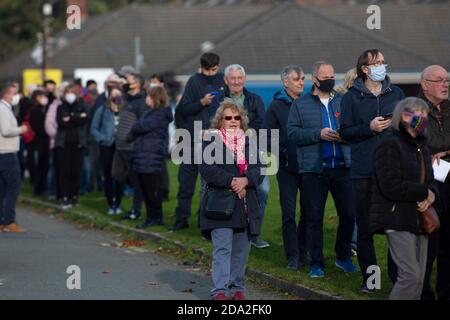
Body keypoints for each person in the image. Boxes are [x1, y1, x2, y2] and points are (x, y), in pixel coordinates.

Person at [339, 49, 405, 292]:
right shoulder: (351, 98)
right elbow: (345, 133)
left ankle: (398, 278)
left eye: (383, 62)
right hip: (364, 170)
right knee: (366, 227)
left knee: (395, 226)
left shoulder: (396, 93)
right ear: (364, 69)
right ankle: (370, 280)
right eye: (376, 63)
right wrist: (369, 128)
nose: (381, 66)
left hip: (392, 169)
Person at [288, 61, 356, 278]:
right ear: (314, 79)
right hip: (314, 169)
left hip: (342, 166)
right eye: (325, 76)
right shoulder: (300, 104)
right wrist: (318, 134)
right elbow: (292, 133)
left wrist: (343, 136)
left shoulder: (344, 101)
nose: (330, 79)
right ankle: (316, 263)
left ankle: (343, 256)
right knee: (313, 218)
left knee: (349, 215)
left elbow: (355, 130)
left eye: (332, 75)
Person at [370, 97, 436, 300]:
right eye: (417, 113)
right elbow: (390, 185)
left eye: (424, 113)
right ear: (404, 116)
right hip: (396, 217)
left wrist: (432, 194)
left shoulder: (422, 146)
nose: (422, 118)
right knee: (409, 275)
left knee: (418, 279)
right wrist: (424, 192)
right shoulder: (389, 144)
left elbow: (430, 181)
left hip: (419, 218)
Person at [199, 98, 263, 300]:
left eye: (237, 117)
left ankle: (237, 288)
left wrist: (246, 180)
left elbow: (259, 170)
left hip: (245, 205)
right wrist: (234, 181)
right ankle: (219, 291)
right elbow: (207, 169)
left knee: (241, 251)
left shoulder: (249, 142)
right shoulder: (211, 141)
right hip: (221, 204)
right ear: (221, 121)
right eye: (228, 118)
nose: (233, 121)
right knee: (223, 248)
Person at [211, 64, 268, 249]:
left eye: (239, 78)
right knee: (214, 188)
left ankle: (254, 232)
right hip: (222, 151)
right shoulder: (217, 100)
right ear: (226, 80)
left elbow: (262, 123)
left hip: (250, 150)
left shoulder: (255, 100)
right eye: (232, 78)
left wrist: (244, 134)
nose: (236, 81)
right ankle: (217, 227)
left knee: (263, 190)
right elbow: (212, 122)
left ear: (244, 79)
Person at [171, 52, 225, 231]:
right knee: (186, 183)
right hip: (191, 140)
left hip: (213, 141)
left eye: (214, 70)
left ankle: (205, 220)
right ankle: (181, 218)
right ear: (201, 67)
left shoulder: (223, 81)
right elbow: (183, 109)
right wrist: (201, 103)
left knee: (209, 184)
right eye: (207, 70)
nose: (211, 73)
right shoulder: (194, 82)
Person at [264, 65, 307, 269]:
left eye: (303, 78)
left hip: (309, 167)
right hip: (287, 167)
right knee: (289, 212)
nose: (301, 82)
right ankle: (292, 255)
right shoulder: (275, 106)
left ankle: (305, 251)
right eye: (297, 78)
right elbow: (266, 137)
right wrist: (283, 152)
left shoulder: (309, 103)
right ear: (285, 82)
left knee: (309, 212)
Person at [418, 65, 450, 300]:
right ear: (424, 84)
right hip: (427, 184)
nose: (445, 84)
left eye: (447, 80)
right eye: (439, 80)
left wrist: (445, 150)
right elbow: (405, 141)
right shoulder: (412, 109)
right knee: (428, 244)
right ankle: (423, 293)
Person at [127, 87, 173, 228]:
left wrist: (135, 128)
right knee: (146, 189)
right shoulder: (150, 113)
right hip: (144, 155)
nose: (146, 99)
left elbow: (140, 127)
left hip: (151, 156)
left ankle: (154, 217)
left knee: (151, 190)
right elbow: (136, 129)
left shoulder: (159, 114)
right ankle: (152, 217)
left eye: (148, 96)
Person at [90, 87, 125, 215]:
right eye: (114, 94)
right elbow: (93, 128)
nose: (116, 97)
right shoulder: (102, 110)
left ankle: (119, 203)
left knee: (120, 175)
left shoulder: (125, 110)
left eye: (118, 94)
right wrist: (102, 139)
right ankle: (111, 203)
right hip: (107, 146)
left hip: (121, 146)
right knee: (109, 175)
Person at [54, 84, 89, 209]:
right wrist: (77, 118)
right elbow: (60, 123)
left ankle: (74, 196)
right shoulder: (60, 107)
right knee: (64, 171)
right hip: (63, 144)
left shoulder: (83, 105)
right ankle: (64, 196)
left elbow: (85, 120)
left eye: (72, 92)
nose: (69, 94)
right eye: (67, 92)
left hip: (78, 144)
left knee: (76, 171)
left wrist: (70, 118)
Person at [0, 83, 29, 233]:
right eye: (13, 93)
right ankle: (9, 221)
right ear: (6, 94)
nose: (15, 96)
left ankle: (1, 221)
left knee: (3, 188)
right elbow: (5, 130)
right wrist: (21, 129)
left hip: (3, 153)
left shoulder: (5, 108)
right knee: (14, 186)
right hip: (6, 153)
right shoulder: (3, 109)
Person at [29, 90, 50, 196]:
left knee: (44, 166)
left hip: (44, 142)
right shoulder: (35, 110)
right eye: (42, 96)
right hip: (40, 142)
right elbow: (38, 127)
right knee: (41, 166)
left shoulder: (42, 109)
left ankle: (42, 187)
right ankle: (39, 188)